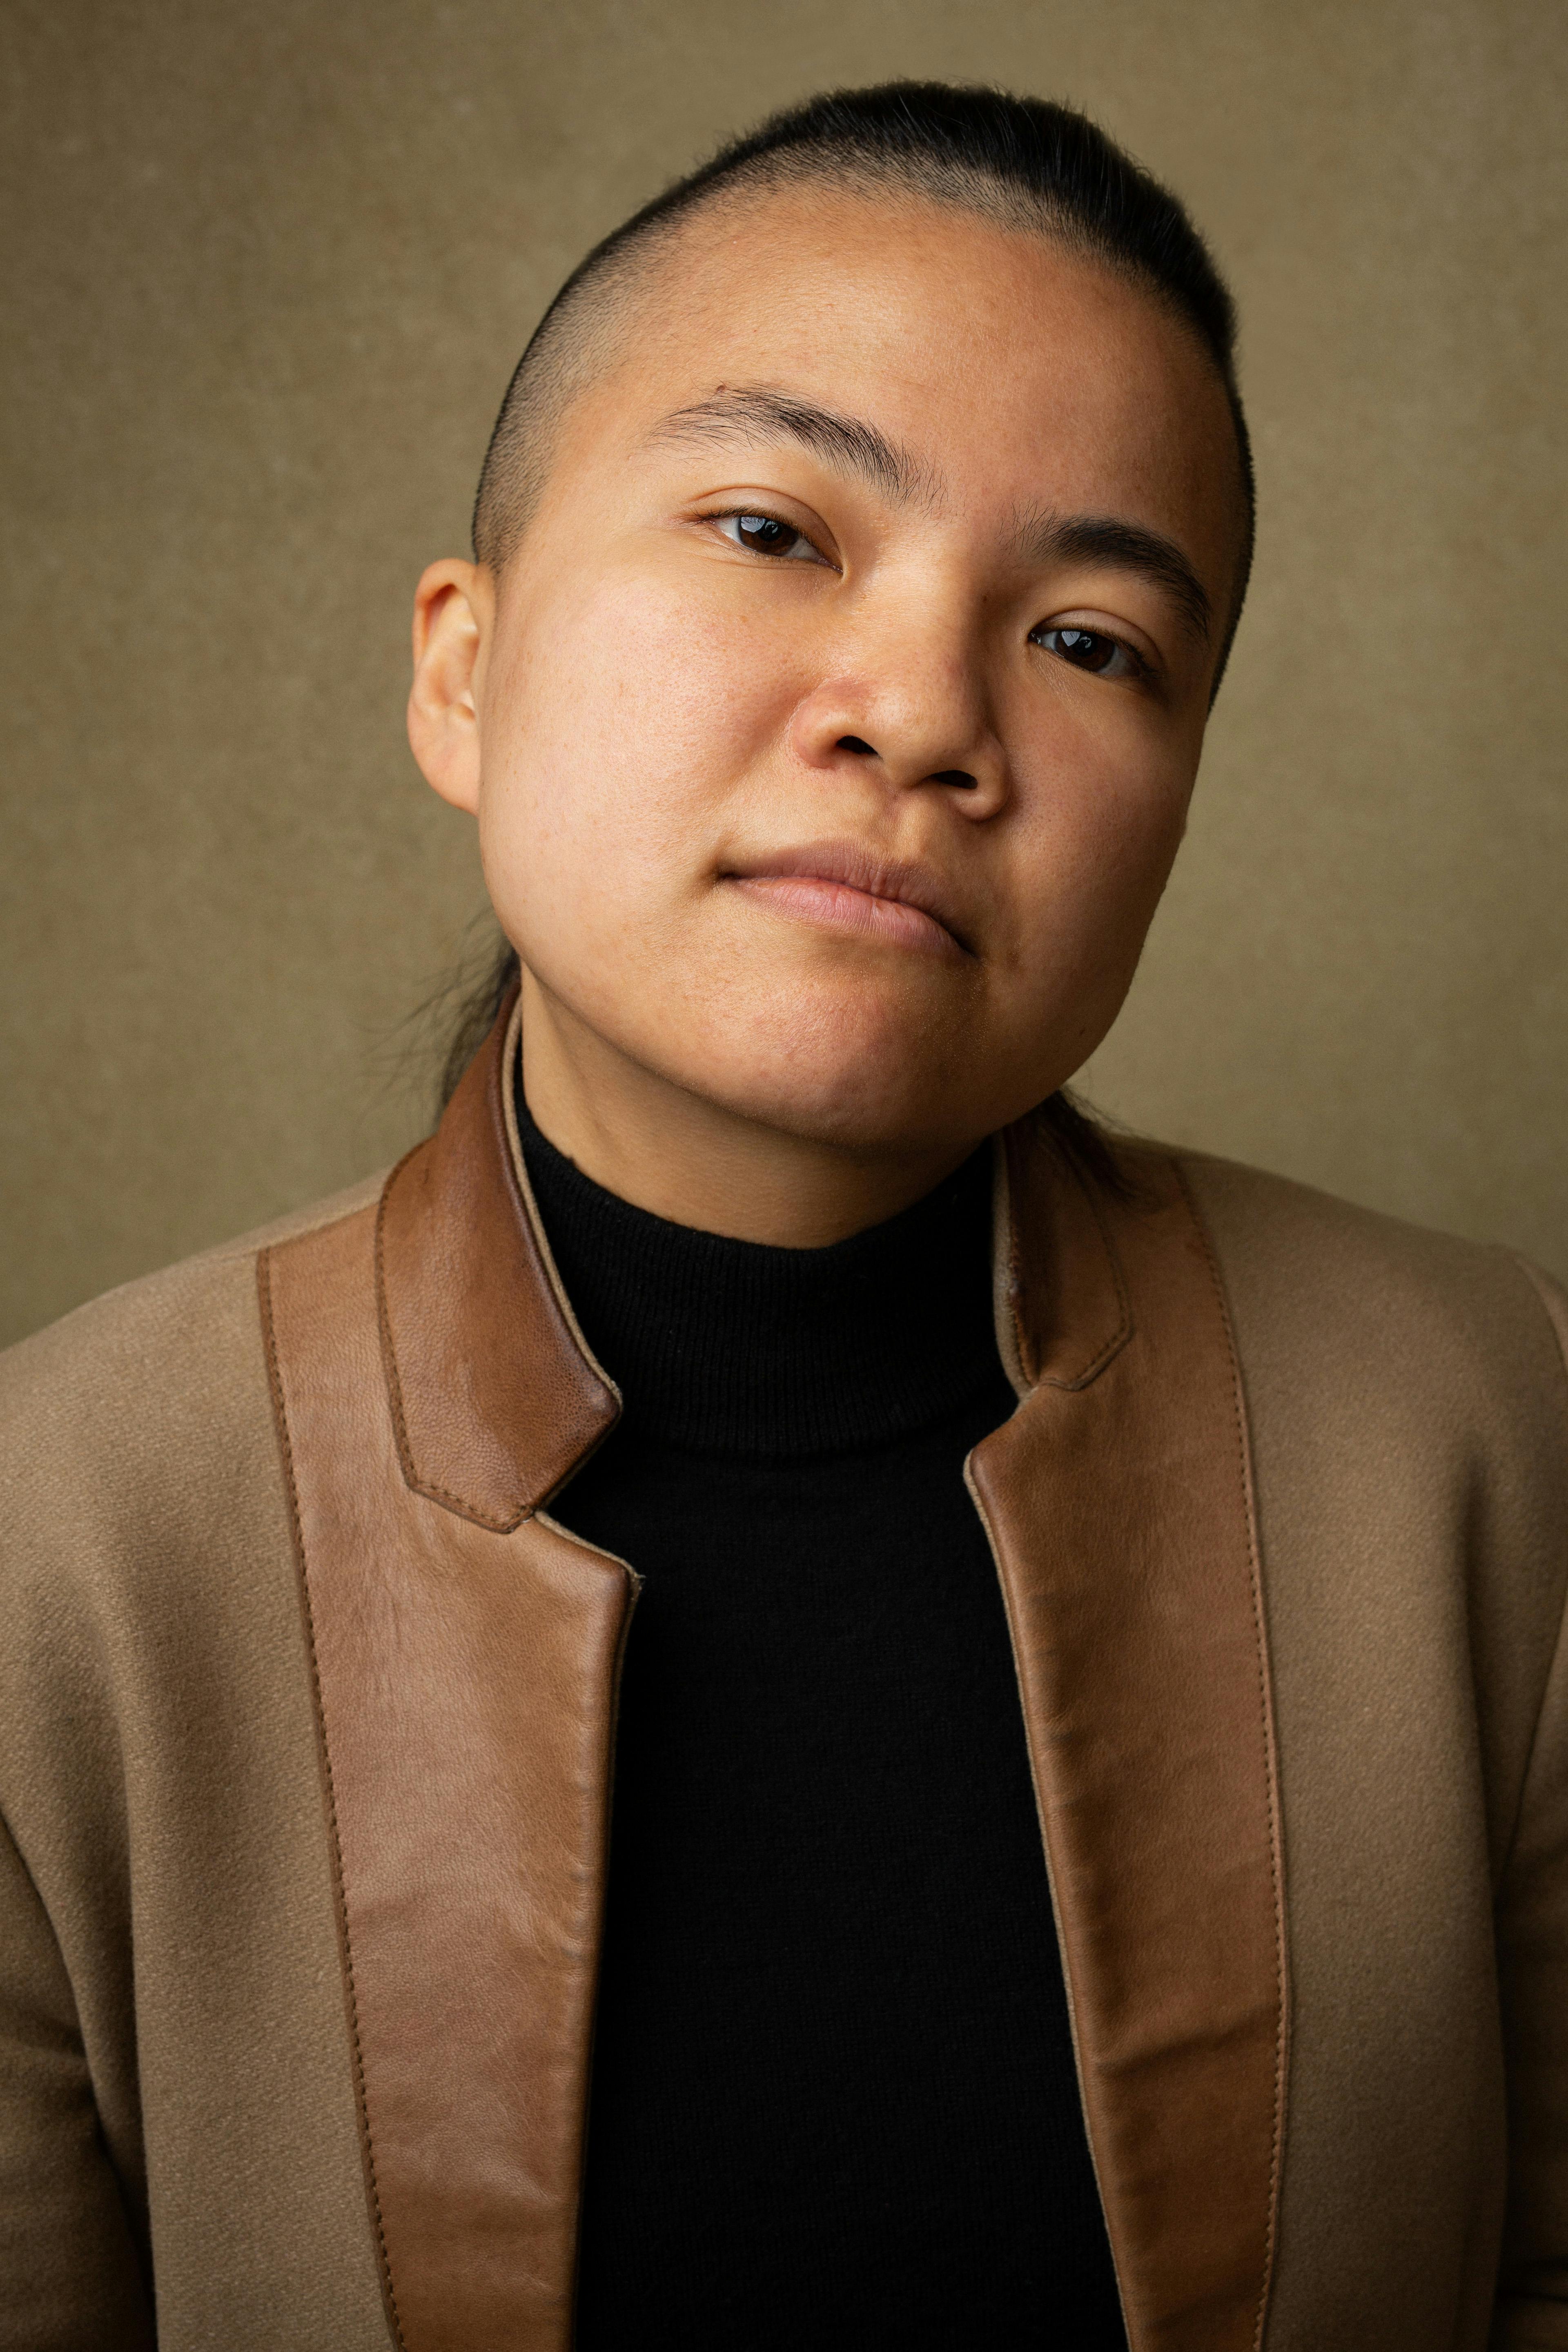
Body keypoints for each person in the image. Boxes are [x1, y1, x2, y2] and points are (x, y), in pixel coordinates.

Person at [1, 78, 1564, 2352]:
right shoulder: (56, 1542)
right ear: (463, 662)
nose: (924, 712)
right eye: (770, 526)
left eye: (1097, 640)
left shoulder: (1495, 1434)